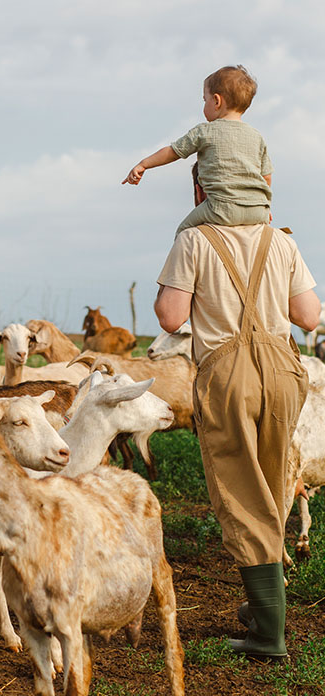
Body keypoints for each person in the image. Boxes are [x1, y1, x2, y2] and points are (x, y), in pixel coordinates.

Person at [154, 166, 321, 659]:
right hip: (284, 373)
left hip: (229, 372)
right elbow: (309, 317)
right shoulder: (281, 240)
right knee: (269, 484)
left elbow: (170, 317)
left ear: (200, 190)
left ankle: (269, 632)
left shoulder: (194, 239)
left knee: (240, 492)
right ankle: (261, 603)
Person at [123, 65, 273, 236]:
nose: (204, 104)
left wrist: (143, 164)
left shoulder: (204, 131)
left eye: (205, 100)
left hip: (221, 208)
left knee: (184, 232)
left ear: (217, 101)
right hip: (258, 211)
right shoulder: (256, 136)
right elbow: (266, 176)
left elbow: (173, 152)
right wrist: (264, 207)